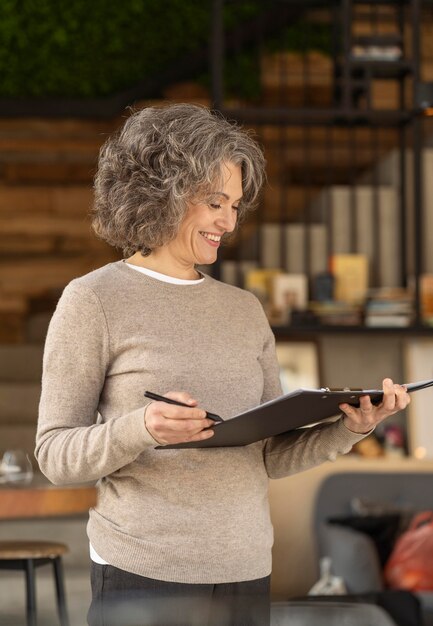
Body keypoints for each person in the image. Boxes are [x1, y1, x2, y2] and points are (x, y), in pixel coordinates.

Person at [35, 103, 410, 626]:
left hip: (247, 569)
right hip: (142, 573)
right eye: (215, 202)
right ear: (160, 192)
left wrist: (350, 429)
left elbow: (269, 458)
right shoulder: (93, 300)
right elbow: (55, 456)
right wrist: (141, 428)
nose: (229, 222)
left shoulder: (244, 310)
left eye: (235, 205)